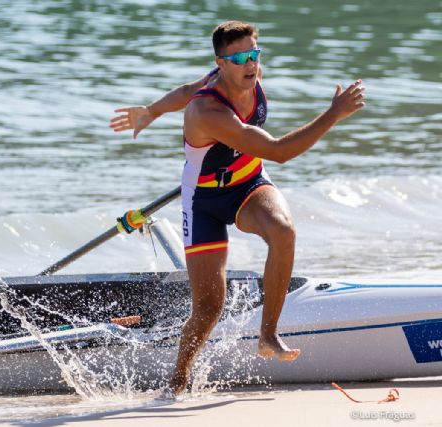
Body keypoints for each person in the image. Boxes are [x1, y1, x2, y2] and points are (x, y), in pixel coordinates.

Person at [110, 20, 365, 395]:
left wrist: (151, 110)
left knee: (283, 231)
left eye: (255, 54)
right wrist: (333, 114)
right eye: (241, 58)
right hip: (204, 202)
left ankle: (268, 334)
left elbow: (182, 89)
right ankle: (177, 381)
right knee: (210, 307)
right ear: (221, 63)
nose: (251, 65)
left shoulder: (241, 74)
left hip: (249, 182)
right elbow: (278, 151)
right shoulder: (208, 112)